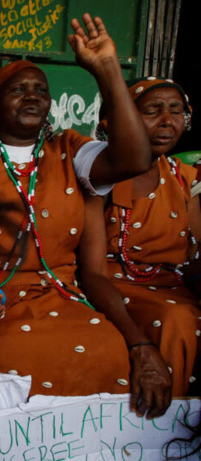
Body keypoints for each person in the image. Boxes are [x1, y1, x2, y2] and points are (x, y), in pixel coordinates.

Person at [0, 14, 171, 418]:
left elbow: (134, 158)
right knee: (16, 354)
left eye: (40, 90)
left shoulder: (69, 148)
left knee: (109, 350)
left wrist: (106, 69)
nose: (32, 96)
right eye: (18, 90)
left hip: (61, 294)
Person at [89, 77, 199, 396]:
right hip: (112, 286)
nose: (167, 121)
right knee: (178, 320)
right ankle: (165, 431)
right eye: (153, 110)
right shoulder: (99, 177)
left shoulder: (186, 178)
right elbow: (91, 270)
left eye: (176, 111)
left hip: (173, 287)